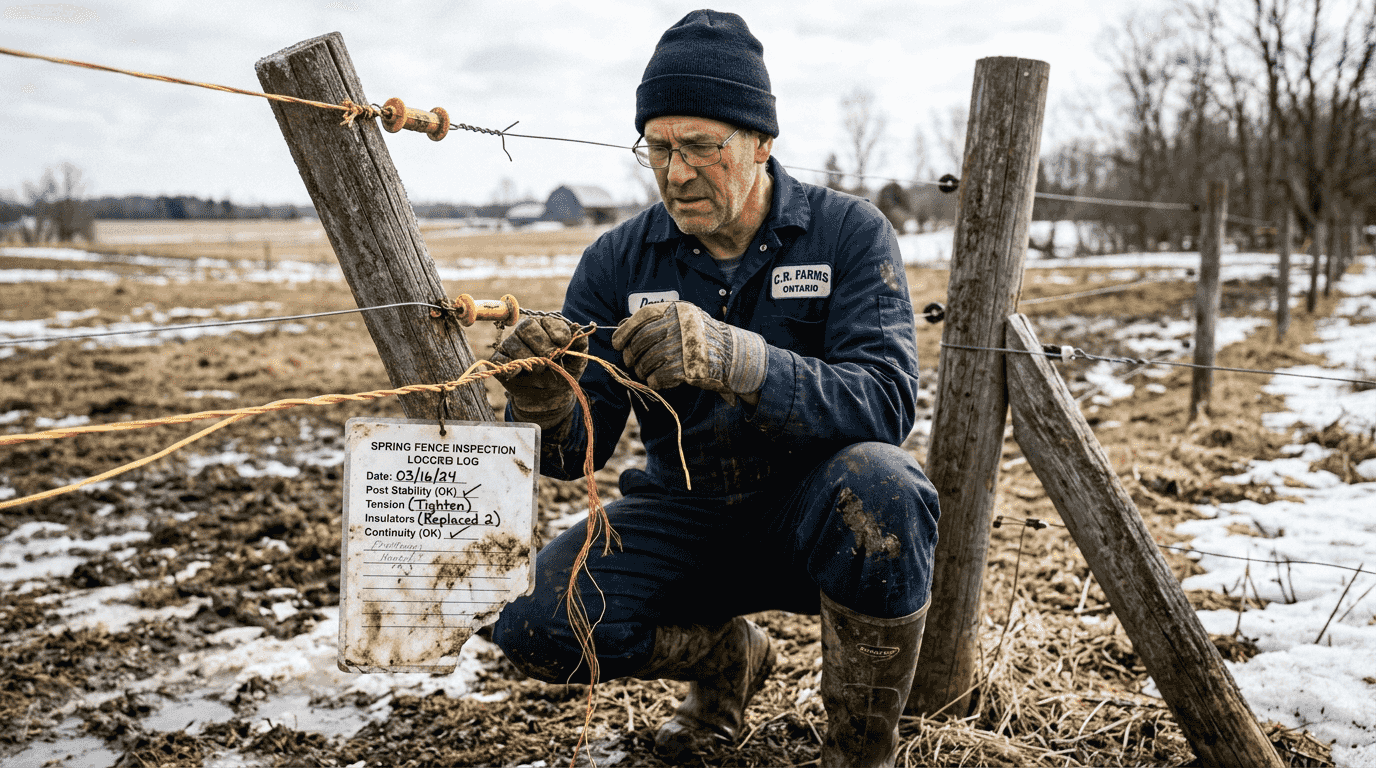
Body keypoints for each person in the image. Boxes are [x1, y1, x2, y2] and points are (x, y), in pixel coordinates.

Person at [489, 10, 940, 767]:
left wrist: (742, 360)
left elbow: (885, 402)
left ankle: (860, 751)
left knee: (887, 486)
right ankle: (728, 660)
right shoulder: (617, 261)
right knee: (535, 623)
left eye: (701, 146)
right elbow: (573, 456)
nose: (676, 172)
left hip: (813, 515)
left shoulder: (848, 235)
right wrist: (545, 403)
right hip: (685, 514)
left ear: (761, 142)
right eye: (658, 148)